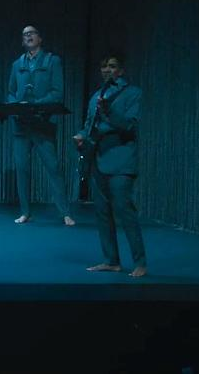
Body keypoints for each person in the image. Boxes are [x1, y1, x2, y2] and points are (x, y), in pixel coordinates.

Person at [74, 54, 146, 277]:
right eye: (104, 66)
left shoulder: (133, 93)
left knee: (125, 211)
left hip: (121, 160)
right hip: (99, 159)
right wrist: (82, 136)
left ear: (121, 70)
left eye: (112, 66)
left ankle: (140, 262)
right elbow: (89, 126)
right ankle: (111, 261)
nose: (107, 70)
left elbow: (129, 125)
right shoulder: (96, 96)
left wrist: (109, 110)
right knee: (102, 213)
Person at [7, 25, 74, 226]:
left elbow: (57, 92)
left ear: (40, 38)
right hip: (21, 124)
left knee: (53, 167)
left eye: (32, 33)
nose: (28, 36)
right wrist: (15, 106)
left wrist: (36, 105)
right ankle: (25, 212)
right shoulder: (17, 64)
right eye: (24, 34)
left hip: (42, 124)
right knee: (22, 168)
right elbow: (11, 92)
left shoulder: (52, 61)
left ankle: (65, 213)